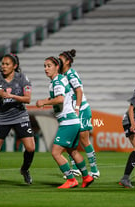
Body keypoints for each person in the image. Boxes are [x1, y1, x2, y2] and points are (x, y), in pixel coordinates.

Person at [36, 56, 94, 189]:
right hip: (73, 120)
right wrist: (46, 100)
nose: (46, 69)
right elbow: (59, 97)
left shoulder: (57, 81)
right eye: (44, 66)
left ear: (57, 67)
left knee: (56, 152)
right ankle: (86, 176)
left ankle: (71, 179)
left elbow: (60, 99)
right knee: (72, 151)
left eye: (49, 66)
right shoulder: (61, 79)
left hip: (68, 121)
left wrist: (44, 102)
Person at [0, 53, 35, 187]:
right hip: (2, 118)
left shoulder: (22, 78)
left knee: (30, 148)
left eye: (7, 64)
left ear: (15, 66)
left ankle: (24, 170)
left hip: (20, 115)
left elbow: (28, 99)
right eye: (2, 64)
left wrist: (10, 95)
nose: (4, 66)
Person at [58, 49, 100, 178]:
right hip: (72, 110)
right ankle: (75, 168)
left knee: (84, 139)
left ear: (68, 61)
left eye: (61, 60)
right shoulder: (62, 75)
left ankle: (94, 169)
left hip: (81, 109)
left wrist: (76, 108)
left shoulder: (71, 74)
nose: (58, 62)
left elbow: (79, 91)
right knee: (72, 141)